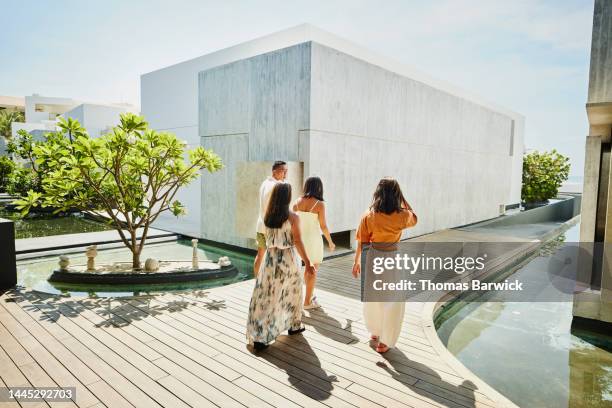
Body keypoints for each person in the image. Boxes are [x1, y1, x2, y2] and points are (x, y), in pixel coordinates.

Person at [246, 183, 316, 350]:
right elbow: (298, 241)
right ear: (287, 197)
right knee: (292, 293)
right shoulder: (293, 217)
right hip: (288, 259)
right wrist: (308, 262)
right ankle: (294, 325)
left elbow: (262, 242)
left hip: (270, 260)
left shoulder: (266, 218)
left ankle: (260, 335)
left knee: (267, 296)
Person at [352, 178, 417, 353]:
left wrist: (357, 262)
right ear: (397, 194)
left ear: (377, 193)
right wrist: (403, 199)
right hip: (393, 259)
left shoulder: (368, 214)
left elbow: (362, 243)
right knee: (393, 299)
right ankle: (385, 340)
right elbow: (414, 217)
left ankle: (375, 331)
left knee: (373, 296)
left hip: (373, 258)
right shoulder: (403, 215)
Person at [293, 176, 335, 309]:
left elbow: (292, 222)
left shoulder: (297, 202)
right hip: (313, 240)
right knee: (312, 270)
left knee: (305, 269)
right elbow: (323, 226)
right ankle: (307, 302)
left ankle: (307, 297)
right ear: (319, 188)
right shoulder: (319, 204)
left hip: (299, 240)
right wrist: (330, 242)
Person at [254, 161, 287, 277]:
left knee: (260, 254)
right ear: (275, 171)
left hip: (261, 225)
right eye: (284, 171)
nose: (285, 174)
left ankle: (257, 282)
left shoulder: (265, 183)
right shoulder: (276, 186)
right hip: (271, 228)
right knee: (275, 257)